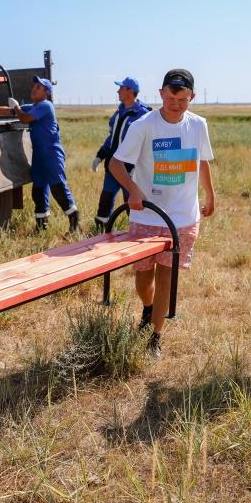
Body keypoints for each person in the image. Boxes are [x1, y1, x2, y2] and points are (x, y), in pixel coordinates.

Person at [109, 69, 215, 358]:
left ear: (191, 96)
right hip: (146, 217)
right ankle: (147, 308)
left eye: (182, 98)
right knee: (144, 280)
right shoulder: (144, 125)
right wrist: (132, 189)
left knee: (168, 277)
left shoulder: (198, 125)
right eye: (170, 97)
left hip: (181, 219)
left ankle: (155, 337)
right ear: (160, 95)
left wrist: (210, 194)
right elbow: (116, 165)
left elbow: (201, 161)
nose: (175, 104)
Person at [0, 77, 79, 231]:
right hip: (39, 155)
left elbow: (24, 118)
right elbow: (8, 111)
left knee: (58, 188)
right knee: (38, 191)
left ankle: (74, 224)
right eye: (34, 86)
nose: (34, 88)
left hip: (51, 154)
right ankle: (41, 226)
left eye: (38, 87)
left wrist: (17, 107)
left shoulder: (46, 106)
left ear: (46, 92)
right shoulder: (34, 106)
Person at [91, 76, 152, 227]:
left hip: (131, 169)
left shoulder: (143, 115)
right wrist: (100, 156)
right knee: (106, 197)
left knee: (132, 200)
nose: (118, 91)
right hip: (113, 166)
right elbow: (112, 137)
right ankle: (101, 228)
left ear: (130, 91)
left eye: (121, 88)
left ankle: (139, 230)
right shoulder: (119, 111)